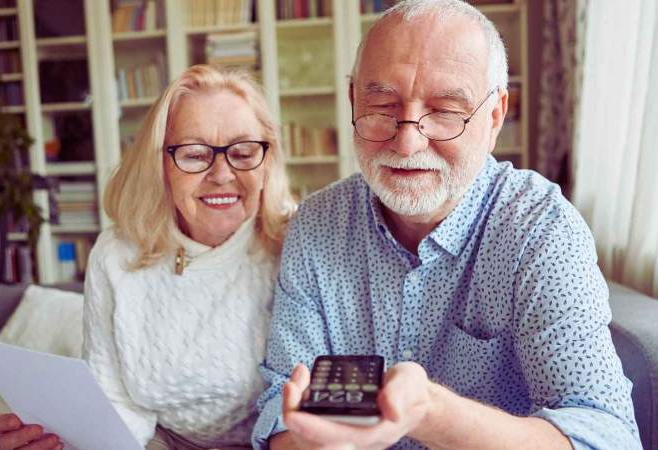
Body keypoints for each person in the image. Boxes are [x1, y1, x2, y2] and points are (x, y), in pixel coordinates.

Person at [252, 1, 641, 449]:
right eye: (382, 105)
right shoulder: (317, 226)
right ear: (352, 100)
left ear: (494, 116)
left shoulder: (539, 229)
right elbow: (278, 412)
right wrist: (312, 440)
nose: (408, 140)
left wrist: (432, 414)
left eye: (445, 111)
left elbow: (605, 435)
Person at [0, 64, 295, 450]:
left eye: (244, 152)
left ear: (267, 161)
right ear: (160, 164)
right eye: (195, 154)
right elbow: (112, 396)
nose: (222, 173)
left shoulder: (296, 244)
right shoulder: (115, 254)